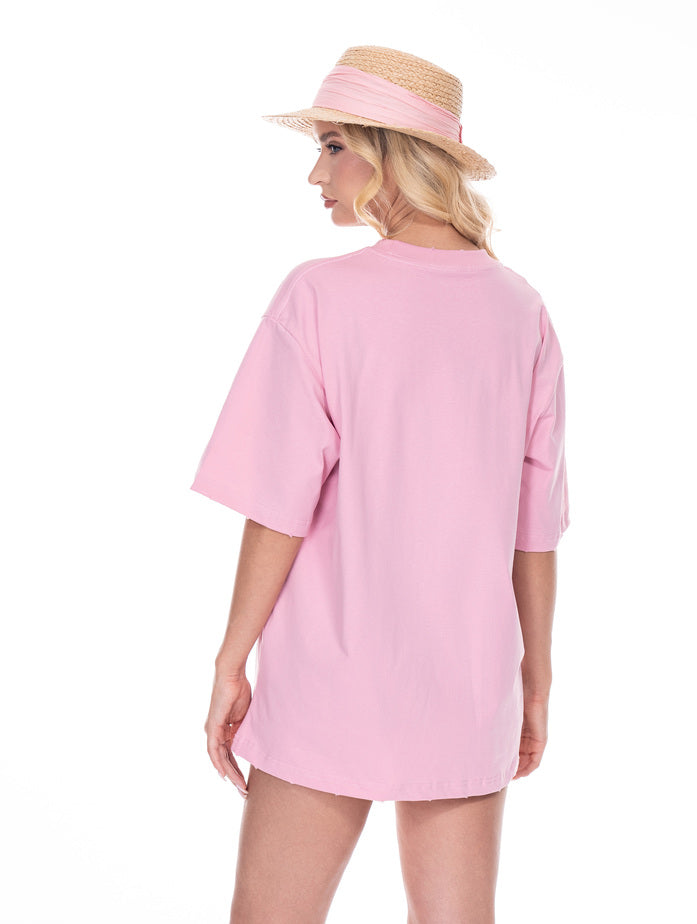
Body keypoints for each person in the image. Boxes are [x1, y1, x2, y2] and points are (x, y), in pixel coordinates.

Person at [190, 44, 571, 924]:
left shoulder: (319, 296)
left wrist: (230, 660)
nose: (314, 173)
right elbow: (534, 528)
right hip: (468, 677)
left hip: (329, 672)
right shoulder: (519, 309)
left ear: (391, 154)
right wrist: (535, 677)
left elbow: (277, 506)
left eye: (332, 146)